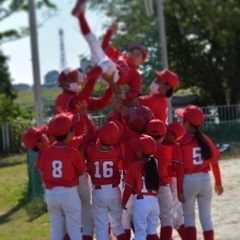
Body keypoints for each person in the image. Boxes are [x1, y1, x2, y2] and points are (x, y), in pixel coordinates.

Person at [71, 0, 148, 100]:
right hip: (101, 69)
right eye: (132, 53)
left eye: (138, 55)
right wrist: (109, 32)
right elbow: (104, 46)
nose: (134, 56)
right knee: (93, 41)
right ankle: (80, 15)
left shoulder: (135, 73)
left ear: (142, 60)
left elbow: (136, 90)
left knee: (107, 63)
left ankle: (84, 77)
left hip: (113, 77)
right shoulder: (120, 56)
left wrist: (126, 95)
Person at [173, 105, 224, 240]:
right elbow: (214, 162)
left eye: (182, 119)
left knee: (189, 218)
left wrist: (179, 190)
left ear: (188, 123)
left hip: (188, 182)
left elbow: (179, 169)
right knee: (206, 218)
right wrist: (218, 182)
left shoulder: (180, 142)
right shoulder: (205, 139)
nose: (180, 121)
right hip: (205, 180)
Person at [37, 112, 88, 240]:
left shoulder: (46, 151)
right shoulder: (73, 152)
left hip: (51, 194)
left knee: (56, 231)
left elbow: (41, 172)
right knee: (75, 230)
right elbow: (82, 172)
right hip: (69, 193)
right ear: (70, 132)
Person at [85, 121, 126, 240]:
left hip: (98, 192)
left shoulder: (90, 150)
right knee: (118, 226)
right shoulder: (117, 151)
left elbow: (90, 139)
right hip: (114, 191)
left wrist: (93, 128)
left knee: (101, 227)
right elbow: (116, 141)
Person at [122, 134, 160, 240]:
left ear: (138, 151)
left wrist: (123, 202)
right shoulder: (155, 164)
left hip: (141, 203)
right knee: (152, 232)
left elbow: (128, 188)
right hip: (154, 202)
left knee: (140, 234)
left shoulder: (134, 166)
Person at [146, 119, 173, 240]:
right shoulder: (167, 150)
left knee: (149, 221)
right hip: (162, 186)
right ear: (163, 136)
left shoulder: (142, 148)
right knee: (167, 218)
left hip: (147, 187)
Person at [163, 121, 186, 240]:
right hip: (173, 182)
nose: (166, 132)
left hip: (174, 182)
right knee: (177, 215)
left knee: (169, 213)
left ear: (175, 137)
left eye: (169, 132)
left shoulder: (173, 147)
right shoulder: (172, 145)